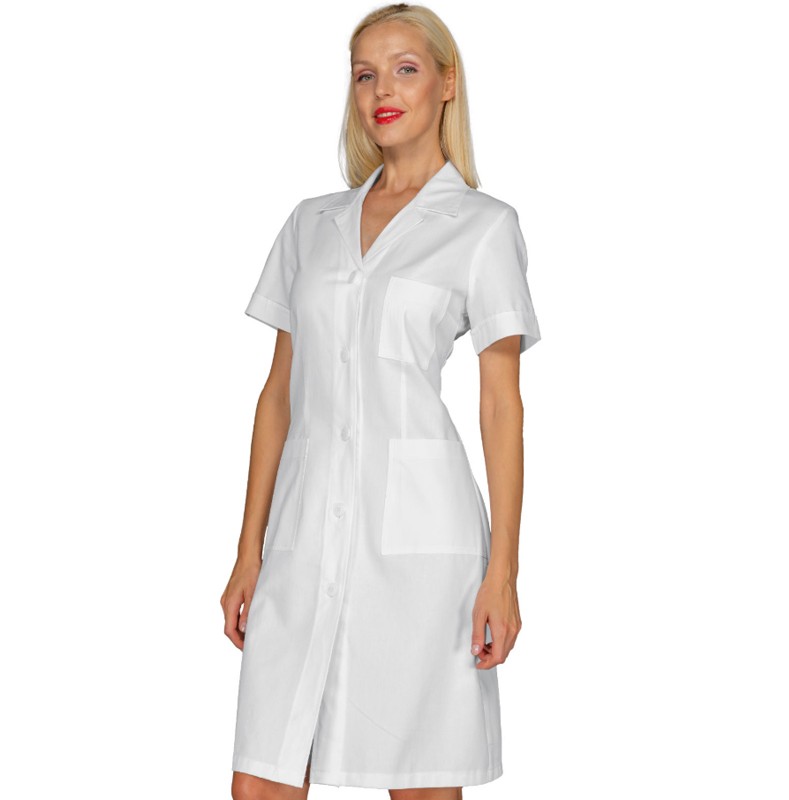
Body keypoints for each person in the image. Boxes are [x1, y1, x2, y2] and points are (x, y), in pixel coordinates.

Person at [220, 4, 542, 798]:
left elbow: (501, 408)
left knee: (420, 779)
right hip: (303, 537)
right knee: (262, 777)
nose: (381, 91)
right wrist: (249, 550)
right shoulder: (311, 224)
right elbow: (278, 396)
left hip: (421, 547)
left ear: (447, 83)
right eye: (364, 74)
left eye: (405, 69)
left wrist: (503, 572)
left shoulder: (482, 227)